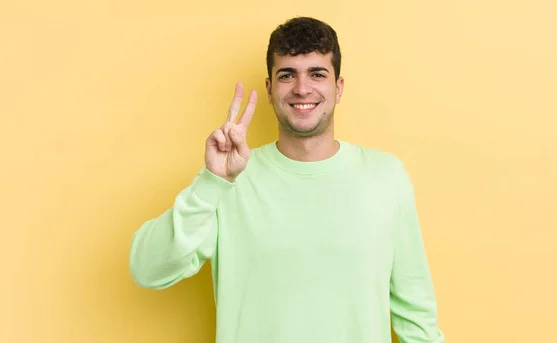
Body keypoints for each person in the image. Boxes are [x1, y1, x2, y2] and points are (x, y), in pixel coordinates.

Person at [129, 16, 445, 343]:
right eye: (287, 75)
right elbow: (147, 269)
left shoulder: (386, 176)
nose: (302, 88)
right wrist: (211, 184)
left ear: (338, 88)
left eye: (317, 73)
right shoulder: (230, 179)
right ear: (269, 89)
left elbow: (416, 314)